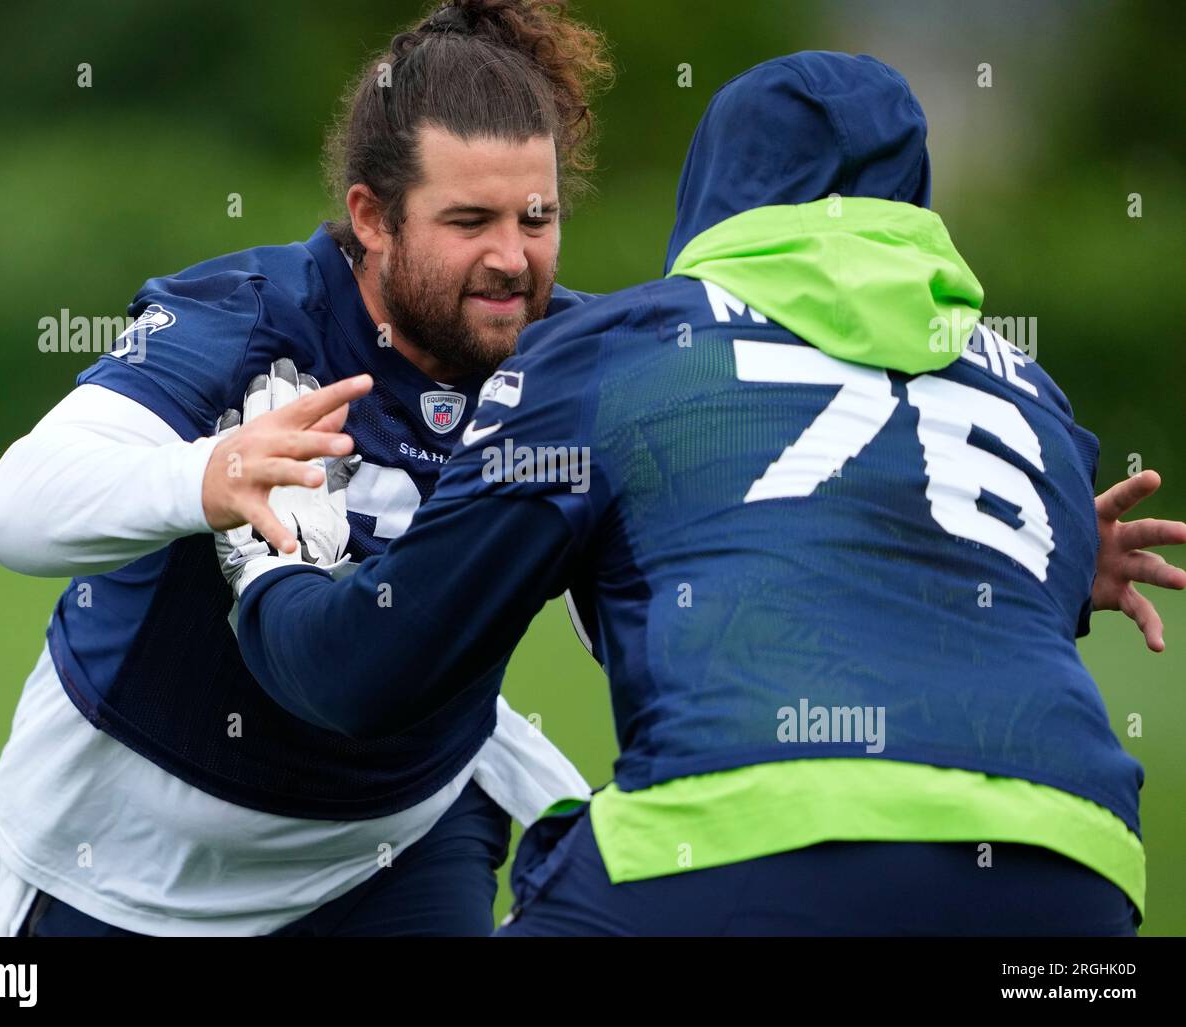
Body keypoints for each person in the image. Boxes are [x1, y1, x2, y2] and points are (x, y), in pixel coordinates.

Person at [226, 51, 1186, 935]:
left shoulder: (624, 352)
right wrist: (1050, 563)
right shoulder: (1032, 395)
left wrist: (267, 562)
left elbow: (370, 669)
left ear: (716, 188)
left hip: (732, 855)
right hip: (1073, 873)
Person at [0, 0, 609, 937]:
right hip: (130, 858)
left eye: (536, 217)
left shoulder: (576, 362)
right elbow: (15, 506)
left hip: (399, 840)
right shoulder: (255, 319)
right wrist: (207, 477)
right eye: (469, 219)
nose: (512, 259)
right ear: (373, 216)